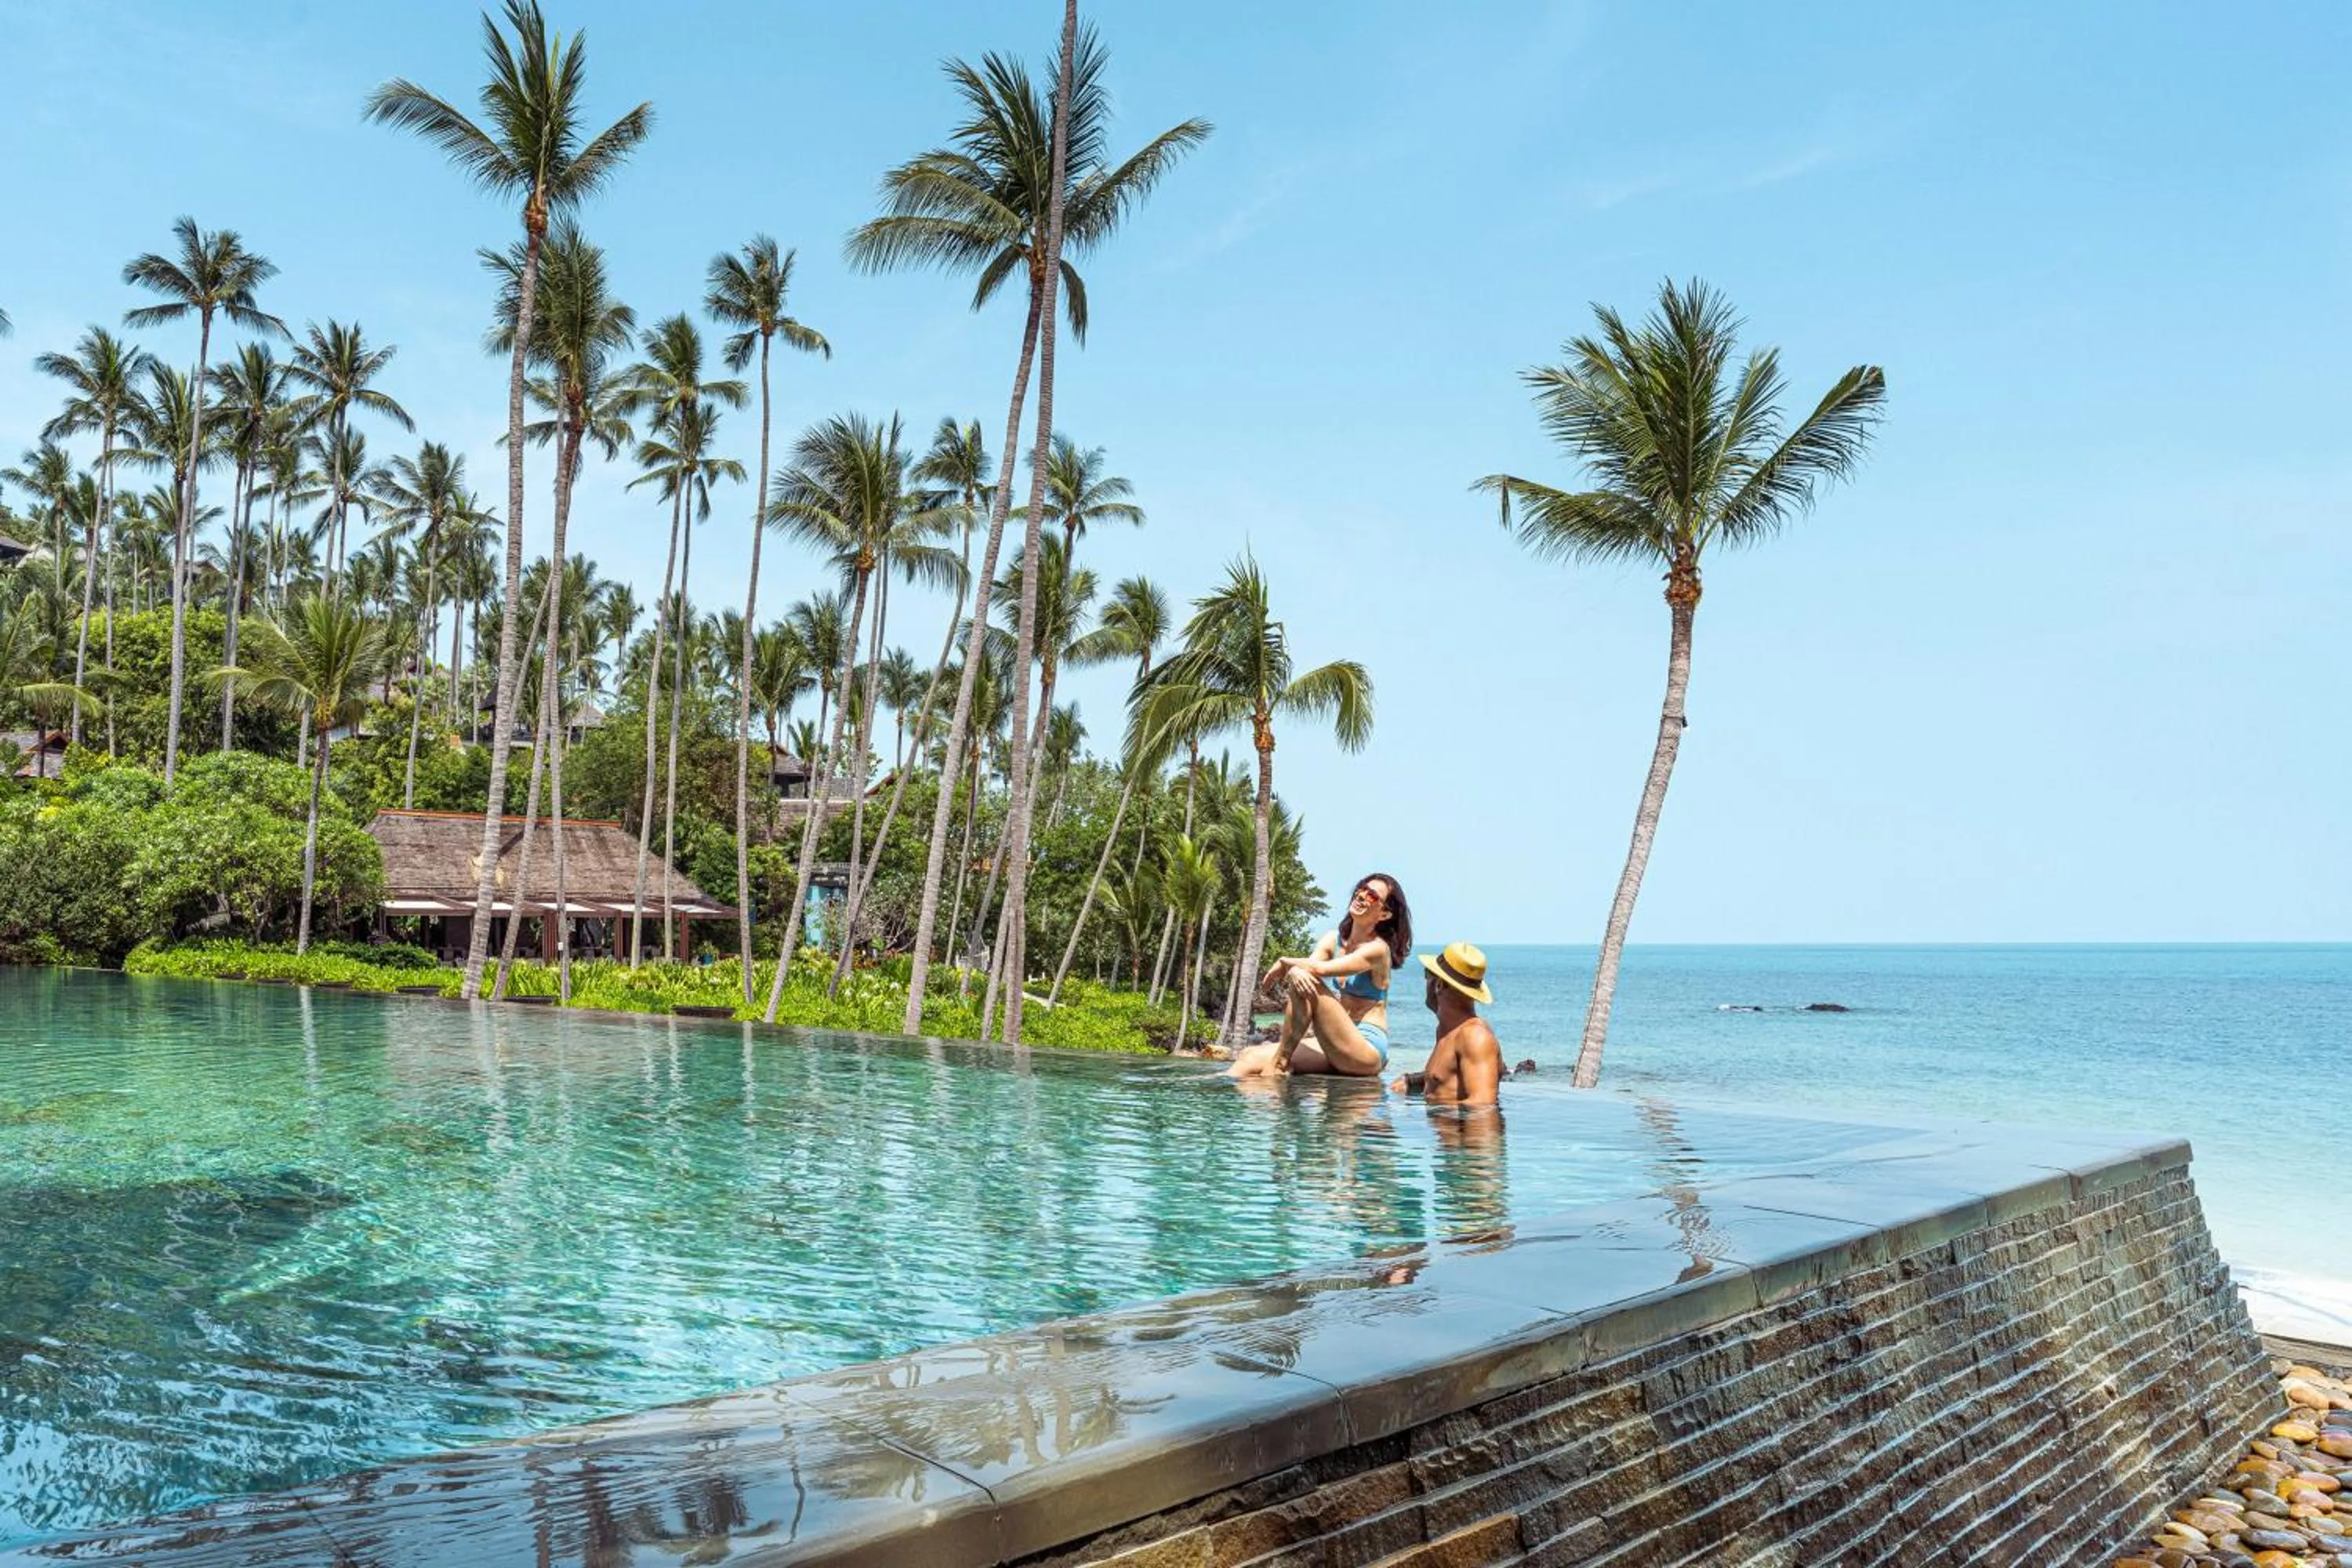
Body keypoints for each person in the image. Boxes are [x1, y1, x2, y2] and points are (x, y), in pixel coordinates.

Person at [1229, 872, 1412, 1080]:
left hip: (1365, 1049)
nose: (1361, 895)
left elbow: (1321, 970)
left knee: (1306, 979)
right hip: (1334, 1041)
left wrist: (1285, 961)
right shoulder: (1332, 939)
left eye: (1372, 895)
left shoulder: (1378, 950)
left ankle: (1280, 1063)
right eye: (1361, 888)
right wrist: (1296, 969)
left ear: (1384, 915)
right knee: (1248, 1057)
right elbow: (1310, 967)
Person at [1391, 941, 1503, 1106]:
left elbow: (1482, 1107)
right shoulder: (1451, 1032)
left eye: (1427, 974)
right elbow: (1449, 1075)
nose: (1425, 981)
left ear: (1439, 984)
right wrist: (1412, 1081)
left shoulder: (1474, 1036)